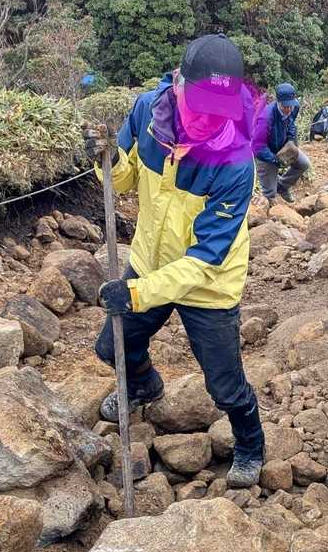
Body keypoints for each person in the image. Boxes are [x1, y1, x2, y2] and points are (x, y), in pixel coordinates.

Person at [83, 33, 266, 488]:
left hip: (208, 284)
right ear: (178, 82)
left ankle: (251, 445)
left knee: (224, 386)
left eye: (218, 110)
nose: (206, 120)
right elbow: (122, 181)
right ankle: (144, 384)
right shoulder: (147, 111)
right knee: (111, 348)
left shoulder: (235, 161)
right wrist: (106, 158)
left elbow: (205, 259)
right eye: (199, 105)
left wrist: (136, 294)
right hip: (151, 260)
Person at [255, 82, 310, 200]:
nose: (289, 109)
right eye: (285, 106)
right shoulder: (266, 118)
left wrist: (290, 140)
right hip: (266, 152)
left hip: (283, 145)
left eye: (291, 105)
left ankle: (282, 187)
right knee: (270, 194)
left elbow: (291, 124)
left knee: (303, 163)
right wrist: (275, 160)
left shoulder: (294, 107)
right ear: (278, 102)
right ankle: (269, 204)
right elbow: (257, 146)